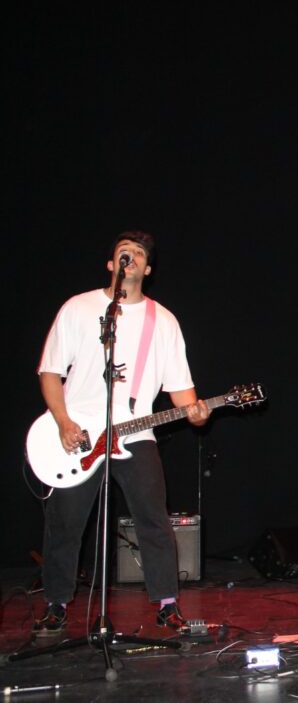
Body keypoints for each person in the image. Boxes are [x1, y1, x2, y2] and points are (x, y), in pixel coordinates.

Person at [33, 231, 211, 637]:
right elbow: (50, 371)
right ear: (112, 264)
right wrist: (63, 422)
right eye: (123, 252)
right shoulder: (79, 308)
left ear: (146, 270)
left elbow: (182, 392)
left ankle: (167, 605)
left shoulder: (163, 321)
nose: (130, 257)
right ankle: (56, 604)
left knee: (153, 518)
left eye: (139, 254)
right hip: (78, 433)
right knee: (65, 523)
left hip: (135, 432)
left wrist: (199, 414)